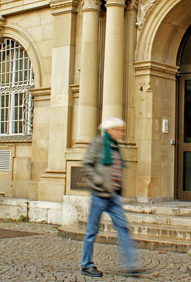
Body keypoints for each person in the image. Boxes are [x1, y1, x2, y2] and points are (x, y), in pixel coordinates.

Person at [80, 118, 141, 278]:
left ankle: (131, 265)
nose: (122, 133)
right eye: (119, 130)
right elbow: (86, 164)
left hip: (113, 196)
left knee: (123, 228)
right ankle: (86, 265)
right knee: (92, 231)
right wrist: (99, 181)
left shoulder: (115, 147)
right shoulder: (99, 143)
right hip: (99, 195)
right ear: (110, 130)